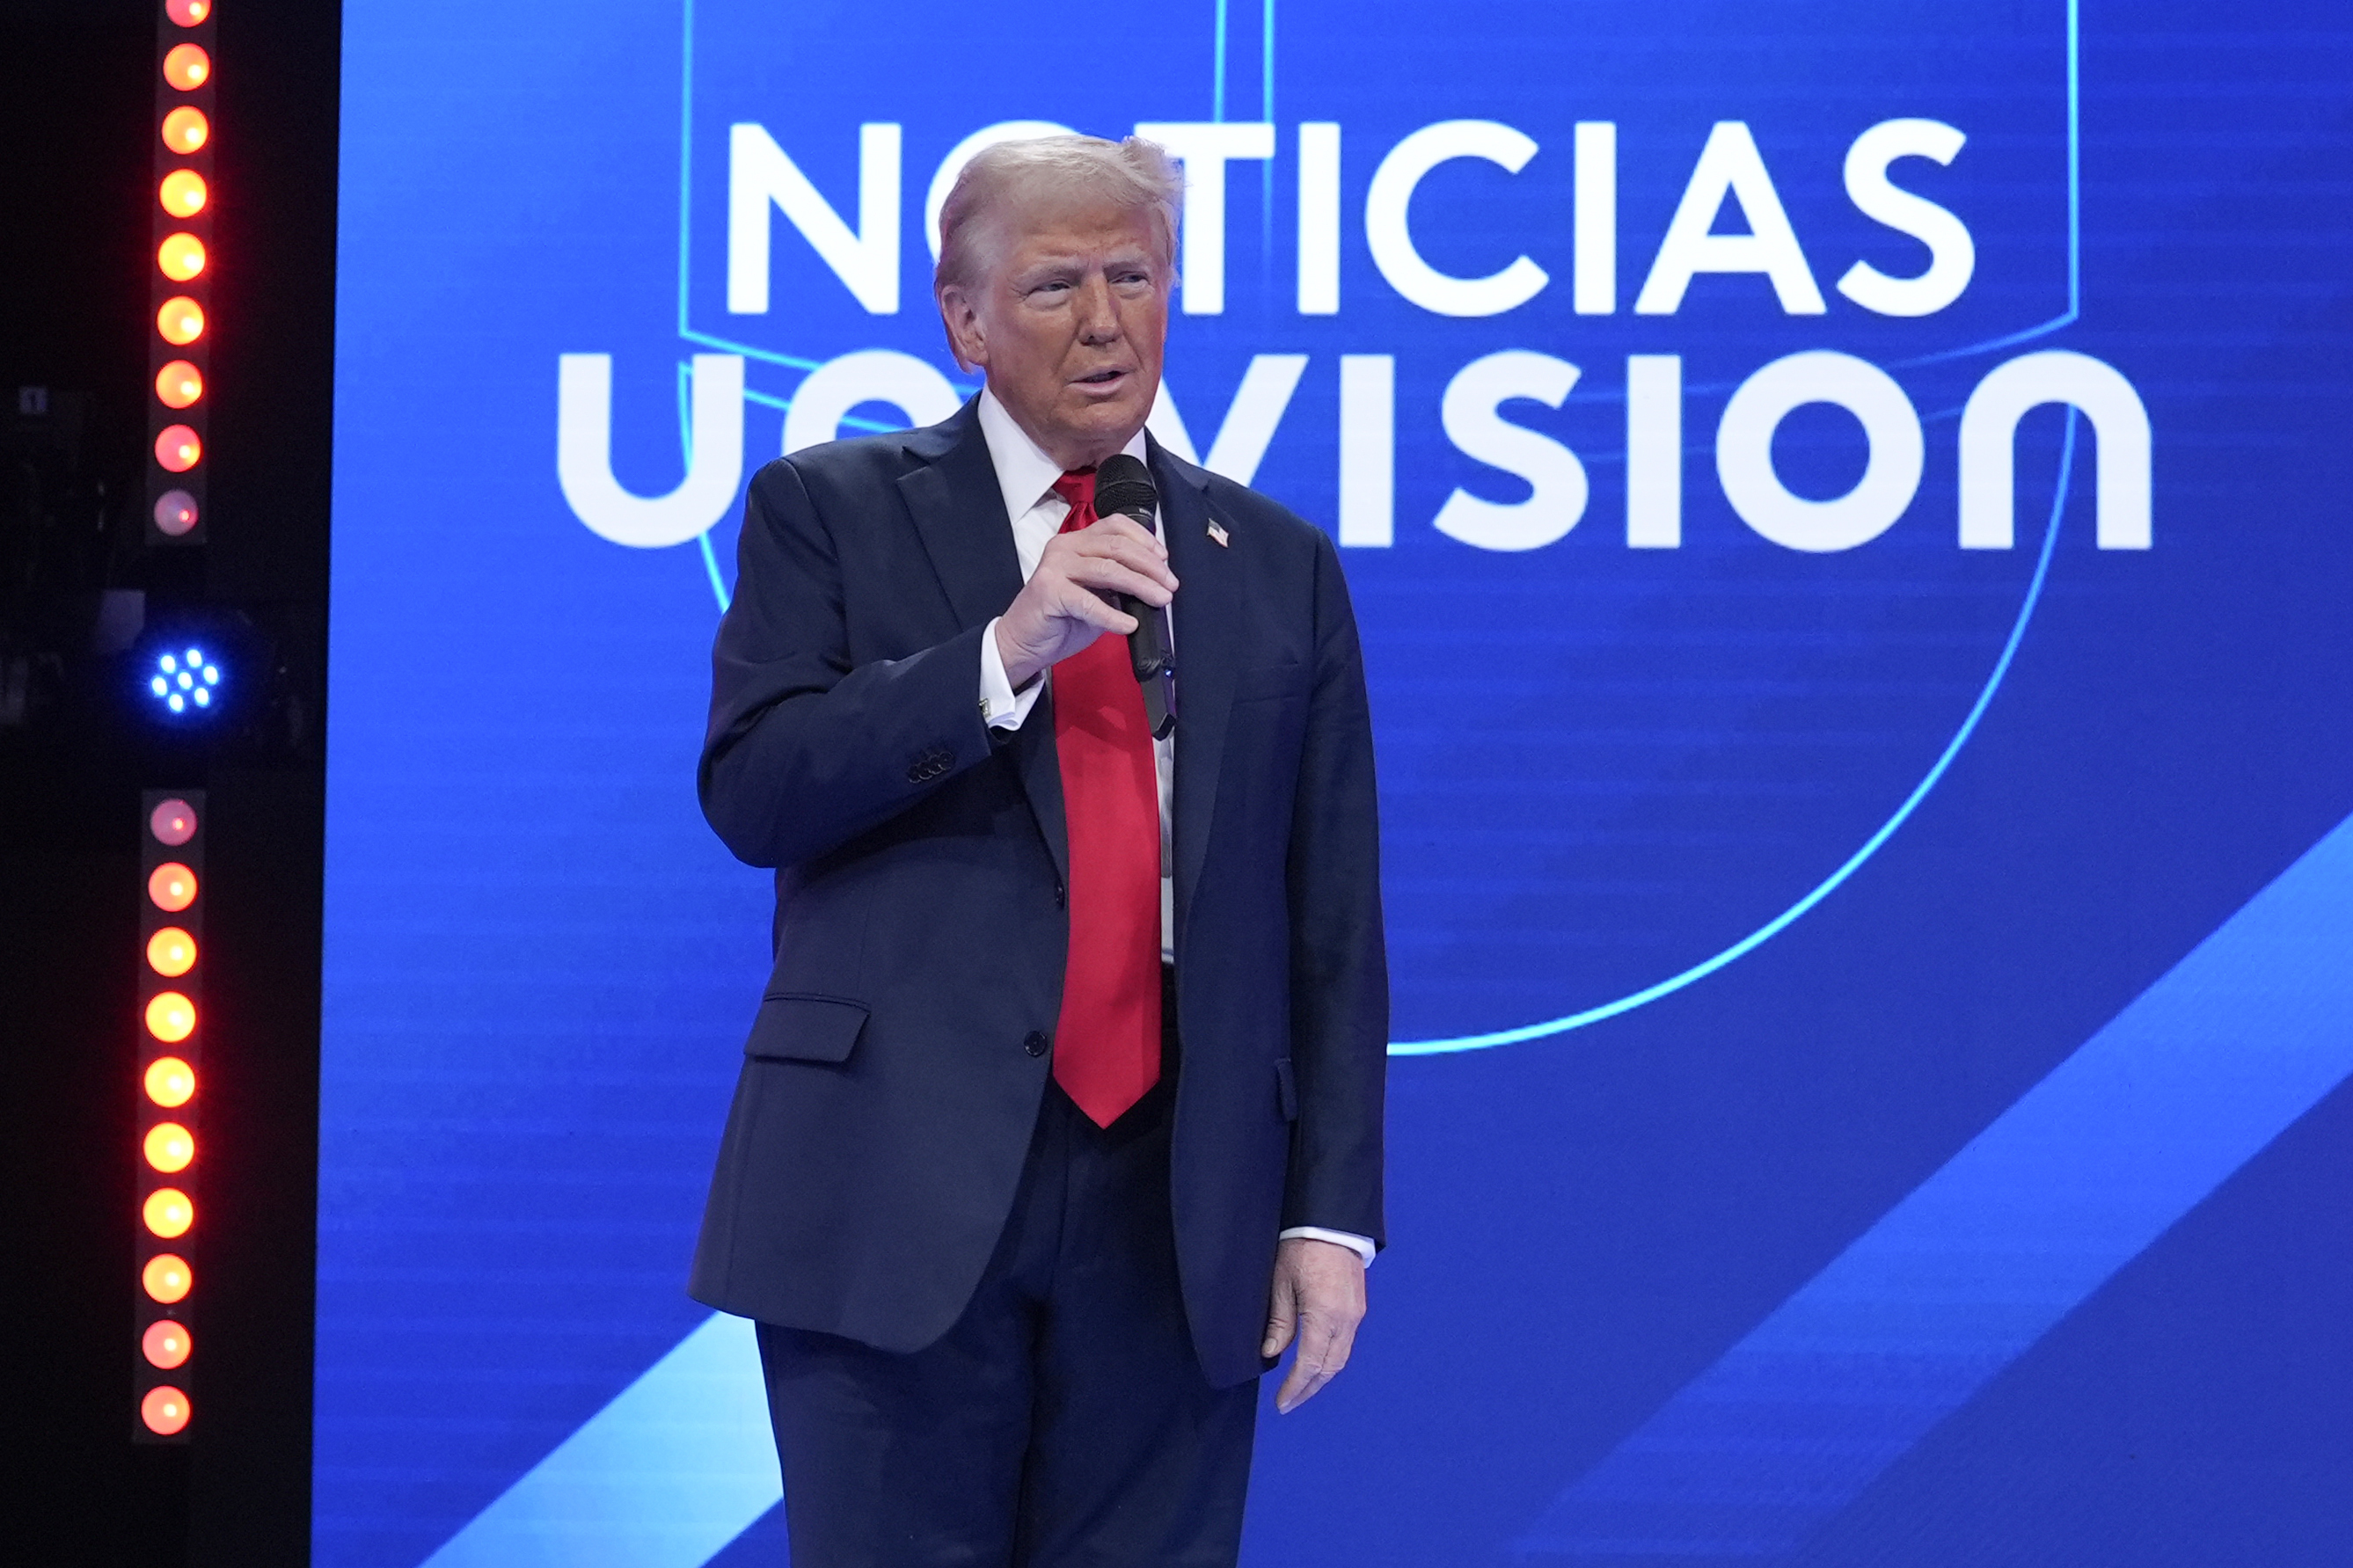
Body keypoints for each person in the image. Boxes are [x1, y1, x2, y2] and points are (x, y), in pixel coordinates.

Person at [689, 133, 1388, 1568]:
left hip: (1178, 1197)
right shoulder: (831, 509)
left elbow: (1331, 915)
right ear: (962, 316)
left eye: (1134, 277)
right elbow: (758, 790)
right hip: (892, 1181)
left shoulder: (1276, 562)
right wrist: (1004, 653)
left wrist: (1331, 1218)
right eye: (1057, 283)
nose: (1106, 319)